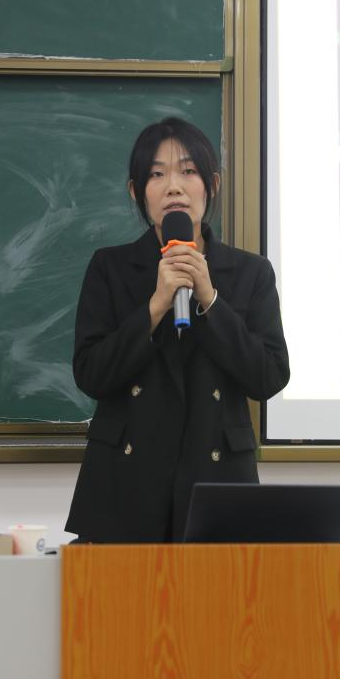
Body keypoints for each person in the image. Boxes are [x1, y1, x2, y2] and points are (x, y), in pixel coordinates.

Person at [65, 117, 290, 543]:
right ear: (136, 192)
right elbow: (91, 373)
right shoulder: (111, 268)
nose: (173, 187)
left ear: (212, 184)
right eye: (156, 174)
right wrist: (155, 307)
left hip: (219, 482)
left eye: (188, 171)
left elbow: (269, 376)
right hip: (126, 484)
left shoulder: (250, 273)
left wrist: (210, 299)